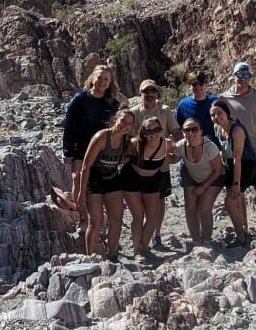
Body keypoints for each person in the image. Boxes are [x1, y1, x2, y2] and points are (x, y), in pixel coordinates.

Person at [221, 60, 256, 238]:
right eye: (239, 75)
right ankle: (243, 228)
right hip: (234, 155)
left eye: (246, 75)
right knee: (237, 193)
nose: (242, 79)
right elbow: (219, 125)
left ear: (250, 77)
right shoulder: (223, 99)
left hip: (255, 154)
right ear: (233, 76)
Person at [76, 110, 135, 259]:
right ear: (115, 120)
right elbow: (86, 166)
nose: (125, 126)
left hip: (112, 179)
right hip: (94, 180)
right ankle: (92, 258)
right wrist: (81, 193)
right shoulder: (102, 137)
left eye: (129, 123)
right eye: (123, 121)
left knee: (116, 220)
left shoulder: (126, 141)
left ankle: (112, 255)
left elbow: (130, 157)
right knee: (96, 222)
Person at [129, 79, 179, 247]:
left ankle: (156, 234)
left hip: (161, 165)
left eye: (153, 91)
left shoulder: (165, 111)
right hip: (138, 167)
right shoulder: (134, 113)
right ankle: (141, 240)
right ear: (140, 94)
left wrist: (182, 150)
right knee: (140, 205)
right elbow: (127, 137)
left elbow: (175, 131)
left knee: (160, 200)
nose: (149, 94)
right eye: (146, 91)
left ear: (157, 93)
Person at [62, 65, 121, 199]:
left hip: (103, 151)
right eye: (99, 77)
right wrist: (68, 152)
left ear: (110, 82)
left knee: (101, 184)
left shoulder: (112, 104)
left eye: (106, 79)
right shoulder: (80, 99)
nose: (102, 81)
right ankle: (81, 214)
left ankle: (97, 214)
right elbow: (69, 126)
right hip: (80, 148)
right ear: (92, 78)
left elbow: (118, 129)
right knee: (78, 179)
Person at [122, 115, 175, 257]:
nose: (153, 134)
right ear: (143, 132)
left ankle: (143, 247)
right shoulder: (135, 144)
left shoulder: (167, 144)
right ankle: (136, 251)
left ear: (161, 129)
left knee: (152, 217)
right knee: (138, 216)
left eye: (156, 129)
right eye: (148, 131)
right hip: (131, 179)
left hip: (152, 180)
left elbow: (177, 155)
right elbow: (121, 159)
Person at [210, 99, 254, 246]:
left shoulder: (237, 130)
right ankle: (244, 230)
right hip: (229, 163)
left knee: (231, 200)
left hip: (245, 163)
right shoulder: (217, 128)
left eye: (219, 113)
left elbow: (238, 157)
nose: (216, 117)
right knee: (237, 198)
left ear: (227, 113)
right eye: (213, 114)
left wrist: (236, 182)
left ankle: (241, 237)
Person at [176, 117, 223, 244]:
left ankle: (207, 240)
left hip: (213, 178)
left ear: (201, 131)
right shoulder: (180, 146)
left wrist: (203, 187)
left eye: (194, 129)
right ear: (183, 132)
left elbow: (218, 170)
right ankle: (196, 240)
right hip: (192, 177)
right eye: (187, 130)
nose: (191, 133)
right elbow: (172, 159)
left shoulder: (210, 148)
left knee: (204, 208)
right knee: (190, 208)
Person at [173, 72, 219, 147]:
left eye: (201, 83)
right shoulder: (183, 104)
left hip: (214, 145)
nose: (198, 87)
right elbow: (178, 127)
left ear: (205, 84)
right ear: (189, 86)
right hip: (192, 147)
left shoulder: (214, 101)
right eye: (194, 84)